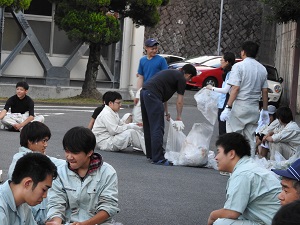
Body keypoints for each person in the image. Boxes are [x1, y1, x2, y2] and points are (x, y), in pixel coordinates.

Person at [46, 126, 119, 225]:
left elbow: (109, 206)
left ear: (89, 152)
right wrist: (55, 221)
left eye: (75, 152)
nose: (69, 157)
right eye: (67, 151)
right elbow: (56, 202)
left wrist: (87, 223)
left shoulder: (108, 172)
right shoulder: (59, 172)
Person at [207, 132, 281, 225]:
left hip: (270, 222)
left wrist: (212, 216)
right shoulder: (247, 166)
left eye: (218, 152)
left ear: (231, 154)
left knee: (221, 223)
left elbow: (231, 212)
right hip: (269, 219)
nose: (216, 157)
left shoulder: (243, 173)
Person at [7, 121, 65, 225]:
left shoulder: (25, 158)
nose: (46, 145)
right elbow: (63, 165)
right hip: (39, 213)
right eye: (44, 141)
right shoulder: (32, 163)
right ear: (30, 141)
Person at [140, 64, 197, 165]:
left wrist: (166, 113)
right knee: (157, 127)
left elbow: (163, 97)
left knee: (149, 126)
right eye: (190, 77)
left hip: (145, 92)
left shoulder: (171, 73)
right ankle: (158, 158)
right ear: (188, 74)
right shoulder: (181, 79)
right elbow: (179, 101)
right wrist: (179, 117)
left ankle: (151, 155)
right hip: (153, 95)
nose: (189, 80)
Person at [220, 41, 269, 156]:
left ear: (243, 52)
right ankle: (249, 165)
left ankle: (232, 166)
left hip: (239, 107)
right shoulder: (262, 69)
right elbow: (265, 91)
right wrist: (265, 111)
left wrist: (228, 107)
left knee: (233, 137)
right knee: (250, 139)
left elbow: (235, 88)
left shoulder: (238, 66)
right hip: (253, 108)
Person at [0, 153, 58, 225]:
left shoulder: (23, 204)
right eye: (44, 190)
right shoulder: (1, 207)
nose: (45, 196)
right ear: (27, 183)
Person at [206, 52, 236, 135]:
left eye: (222, 60)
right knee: (223, 128)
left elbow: (225, 90)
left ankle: (224, 147)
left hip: (226, 104)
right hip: (223, 103)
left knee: (223, 129)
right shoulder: (228, 73)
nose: (220, 62)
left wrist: (212, 88)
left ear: (227, 62)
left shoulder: (231, 74)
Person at [134, 38, 168, 105]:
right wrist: (137, 94)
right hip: (146, 90)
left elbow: (165, 76)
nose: (154, 50)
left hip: (157, 90)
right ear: (146, 48)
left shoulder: (161, 60)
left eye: (156, 48)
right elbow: (141, 78)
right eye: (152, 49)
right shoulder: (142, 60)